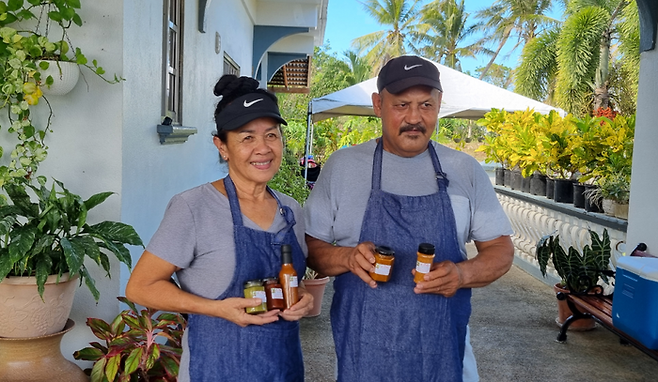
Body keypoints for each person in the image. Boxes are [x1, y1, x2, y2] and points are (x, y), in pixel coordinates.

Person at [303, 55, 514, 382]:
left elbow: (500, 249)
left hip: (443, 347)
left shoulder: (464, 169)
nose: (414, 117)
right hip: (363, 350)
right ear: (378, 104)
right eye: (401, 104)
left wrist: (461, 273)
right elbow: (310, 244)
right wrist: (346, 257)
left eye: (426, 105)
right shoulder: (343, 167)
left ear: (439, 104)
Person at [126, 74, 313, 382]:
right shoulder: (193, 207)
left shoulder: (290, 209)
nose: (263, 148)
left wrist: (302, 297)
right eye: (247, 137)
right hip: (216, 368)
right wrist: (217, 309)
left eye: (271, 135)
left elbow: (293, 281)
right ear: (222, 146)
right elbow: (140, 287)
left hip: (283, 367)